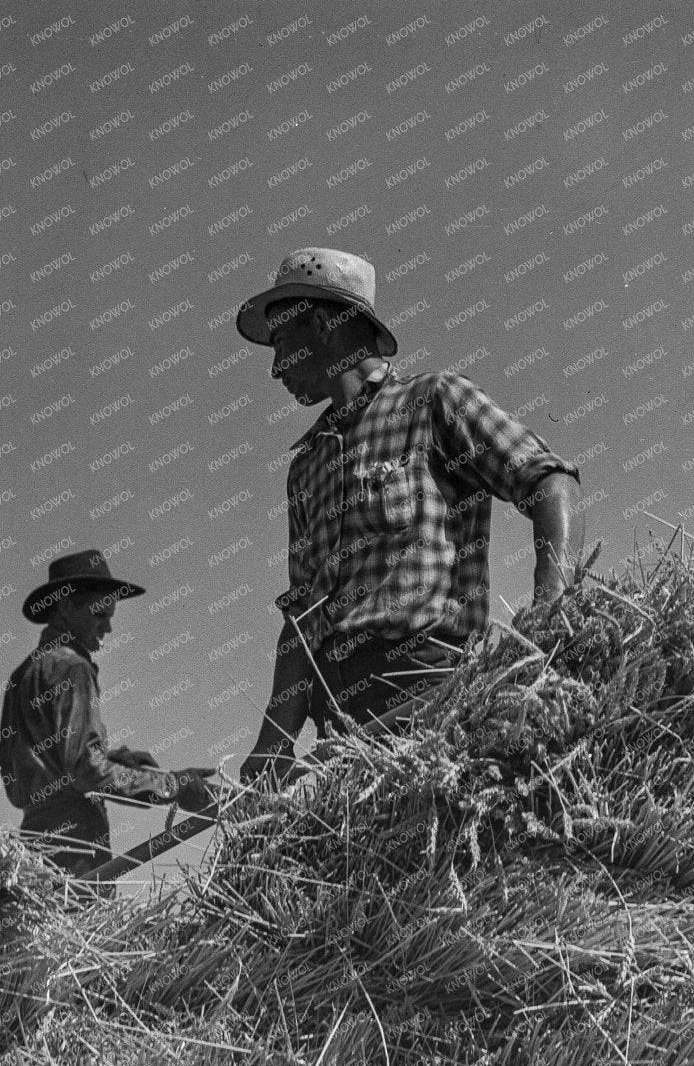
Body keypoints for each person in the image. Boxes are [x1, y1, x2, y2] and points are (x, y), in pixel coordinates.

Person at [233, 248, 583, 787]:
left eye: (281, 342)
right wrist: (273, 747)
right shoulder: (306, 465)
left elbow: (547, 482)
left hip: (428, 697)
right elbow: (301, 621)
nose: (276, 367)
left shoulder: (433, 401)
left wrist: (551, 606)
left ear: (324, 324)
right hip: (345, 731)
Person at [0, 549, 216, 878]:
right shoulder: (72, 668)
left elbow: (35, 772)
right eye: (100, 614)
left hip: (33, 849)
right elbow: (85, 768)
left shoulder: (22, 676)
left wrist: (110, 759)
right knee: (83, 926)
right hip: (76, 848)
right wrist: (172, 785)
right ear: (67, 606)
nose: (109, 627)